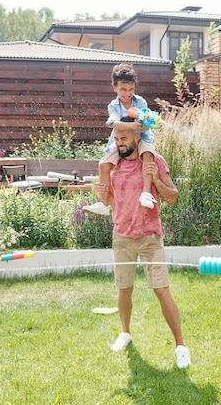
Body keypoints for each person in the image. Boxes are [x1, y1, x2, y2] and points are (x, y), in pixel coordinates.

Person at [93, 123, 190, 369]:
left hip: (149, 237)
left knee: (161, 289)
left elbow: (173, 196)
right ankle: (125, 333)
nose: (119, 142)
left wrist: (156, 179)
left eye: (124, 138)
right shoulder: (114, 167)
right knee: (124, 288)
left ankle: (180, 345)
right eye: (117, 138)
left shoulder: (154, 161)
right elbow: (110, 200)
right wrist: (102, 194)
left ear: (138, 136)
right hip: (122, 237)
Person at [83, 63, 157, 216]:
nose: (127, 93)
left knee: (148, 155)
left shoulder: (140, 102)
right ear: (115, 88)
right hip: (121, 139)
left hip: (141, 137)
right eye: (123, 89)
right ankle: (104, 204)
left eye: (131, 89)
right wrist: (132, 126)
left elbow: (144, 125)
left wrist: (144, 125)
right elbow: (115, 124)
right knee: (103, 164)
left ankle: (145, 193)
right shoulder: (114, 105)